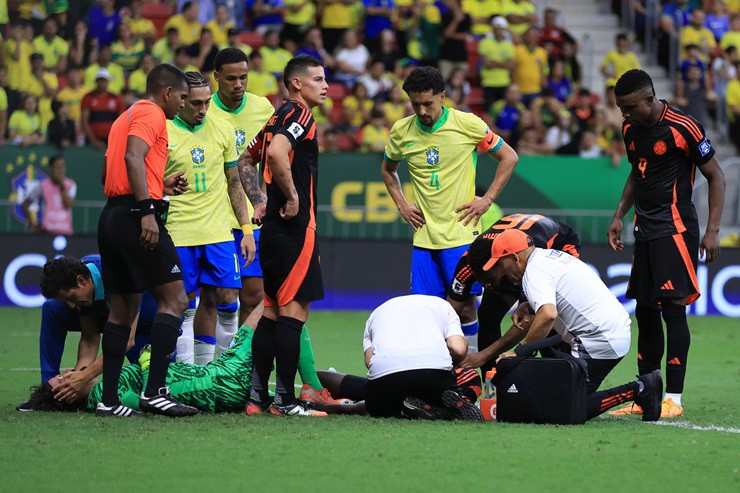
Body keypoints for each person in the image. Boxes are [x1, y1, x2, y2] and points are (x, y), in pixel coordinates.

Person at [608, 69, 726, 418]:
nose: (624, 115)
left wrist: (713, 230)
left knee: (673, 310)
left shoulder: (683, 127)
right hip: (644, 230)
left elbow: (716, 174)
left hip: (675, 229)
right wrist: (619, 214)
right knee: (645, 313)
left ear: (650, 98)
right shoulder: (630, 128)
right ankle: (646, 395)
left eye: (630, 107)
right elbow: (636, 171)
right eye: (620, 108)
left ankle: (673, 398)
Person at [467, 229, 664, 422]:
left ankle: (639, 389)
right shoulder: (547, 257)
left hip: (597, 341)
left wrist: (520, 353)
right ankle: (637, 388)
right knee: (543, 395)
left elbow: (548, 315)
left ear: (514, 258)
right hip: (610, 332)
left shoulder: (533, 272)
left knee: (557, 408)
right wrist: (528, 308)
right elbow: (538, 317)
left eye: (501, 265)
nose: (503, 274)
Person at [380, 66, 519, 337]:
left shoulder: (468, 124)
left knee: (465, 309)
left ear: (443, 96)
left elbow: (509, 157)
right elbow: (388, 170)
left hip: (461, 236)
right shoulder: (401, 131)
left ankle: (471, 375)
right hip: (424, 238)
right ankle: (439, 374)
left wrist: (487, 199)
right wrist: (402, 205)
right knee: (425, 311)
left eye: (428, 104)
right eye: (415, 104)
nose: (422, 111)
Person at [22, 302, 355, 415]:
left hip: (216, 374)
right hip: (220, 384)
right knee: (286, 305)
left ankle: (307, 389)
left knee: (281, 305)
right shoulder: (103, 396)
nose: (67, 371)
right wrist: (148, 358)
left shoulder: (106, 388)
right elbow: (144, 400)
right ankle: (310, 388)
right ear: (65, 393)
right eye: (62, 378)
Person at [97, 63, 197, 418]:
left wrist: (159, 188)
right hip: (133, 216)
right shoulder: (151, 113)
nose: (183, 104)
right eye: (183, 97)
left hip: (112, 215)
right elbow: (132, 157)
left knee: (123, 311)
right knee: (176, 299)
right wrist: (146, 210)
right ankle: (155, 392)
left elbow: (113, 170)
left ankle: (108, 402)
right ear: (167, 92)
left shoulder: (125, 117)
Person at [240, 55, 329, 416]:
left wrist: (260, 200)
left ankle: (258, 399)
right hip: (295, 228)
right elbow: (276, 153)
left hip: (273, 231)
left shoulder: (276, 116)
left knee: (272, 313)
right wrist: (292, 196)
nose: (326, 86)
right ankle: (285, 402)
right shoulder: (300, 115)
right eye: (318, 79)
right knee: (294, 314)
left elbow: (246, 161)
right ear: (297, 84)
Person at [165, 71, 256, 365]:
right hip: (179, 231)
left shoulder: (222, 129)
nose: (203, 109)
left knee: (229, 304)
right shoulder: (164, 132)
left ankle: (222, 377)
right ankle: (189, 377)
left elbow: (234, 182)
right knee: (184, 308)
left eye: (206, 102)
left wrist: (245, 229)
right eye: (195, 103)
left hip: (218, 232)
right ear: (180, 101)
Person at [446, 213, 580, 375]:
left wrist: (483, 355)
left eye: (487, 279)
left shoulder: (530, 260)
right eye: (478, 280)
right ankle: (493, 384)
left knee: (549, 319)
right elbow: (448, 314)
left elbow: (532, 319)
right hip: (510, 253)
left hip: (557, 243)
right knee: (488, 314)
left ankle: (563, 373)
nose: (484, 285)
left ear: (499, 263)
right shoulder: (468, 265)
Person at [15, 255, 154, 411]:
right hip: (110, 317)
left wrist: (85, 376)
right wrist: (74, 381)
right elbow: (90, 338)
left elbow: (127, 340)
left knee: (154, 386)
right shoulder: (83, 285)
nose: (72, 306)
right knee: (51, 308)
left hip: (146, 326)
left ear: (82, 281)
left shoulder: (118, 275)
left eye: (71, 298)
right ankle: (49, 395)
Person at [209, 48, 276, 327]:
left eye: (243, 77)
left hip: (253, 216)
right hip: (215, 217)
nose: (238, 84)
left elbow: (272, 158)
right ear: (216, 78)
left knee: (253, 297)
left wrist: (265, 198)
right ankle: (215, 364)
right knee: (223, 298)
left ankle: (246, 366)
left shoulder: (263, 108)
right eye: (231, 78)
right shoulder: (205, 109)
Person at [360, 294, 483, 421]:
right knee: (471, 376)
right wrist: (451, 370)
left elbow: (370, 362)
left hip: (384, 383)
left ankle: (411, 408)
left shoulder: (375, 313)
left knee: (384, 407)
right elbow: (458, 348)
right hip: (433, 376)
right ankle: (446, 409)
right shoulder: (444, 306)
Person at [22, 155, 76, 234]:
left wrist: (62, 186)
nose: (60, 170)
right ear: (51, 169)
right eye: (57, 167)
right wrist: (33, 225)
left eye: (62, 167)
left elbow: (68, 204)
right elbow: (26, 204)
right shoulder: (42, 186)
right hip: (46, 231)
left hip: (65, 230)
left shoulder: (71, 185)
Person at [81, 69, 126, 150]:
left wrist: (115, 140)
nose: (102, 82)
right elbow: (84, 121)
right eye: (100, 80)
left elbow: (121, 121)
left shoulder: (116, 98)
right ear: (96, 81)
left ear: (108, 81)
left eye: (104, 80)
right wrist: (93, 141)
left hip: (112, 141)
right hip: (92, 141)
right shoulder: (88, 97)